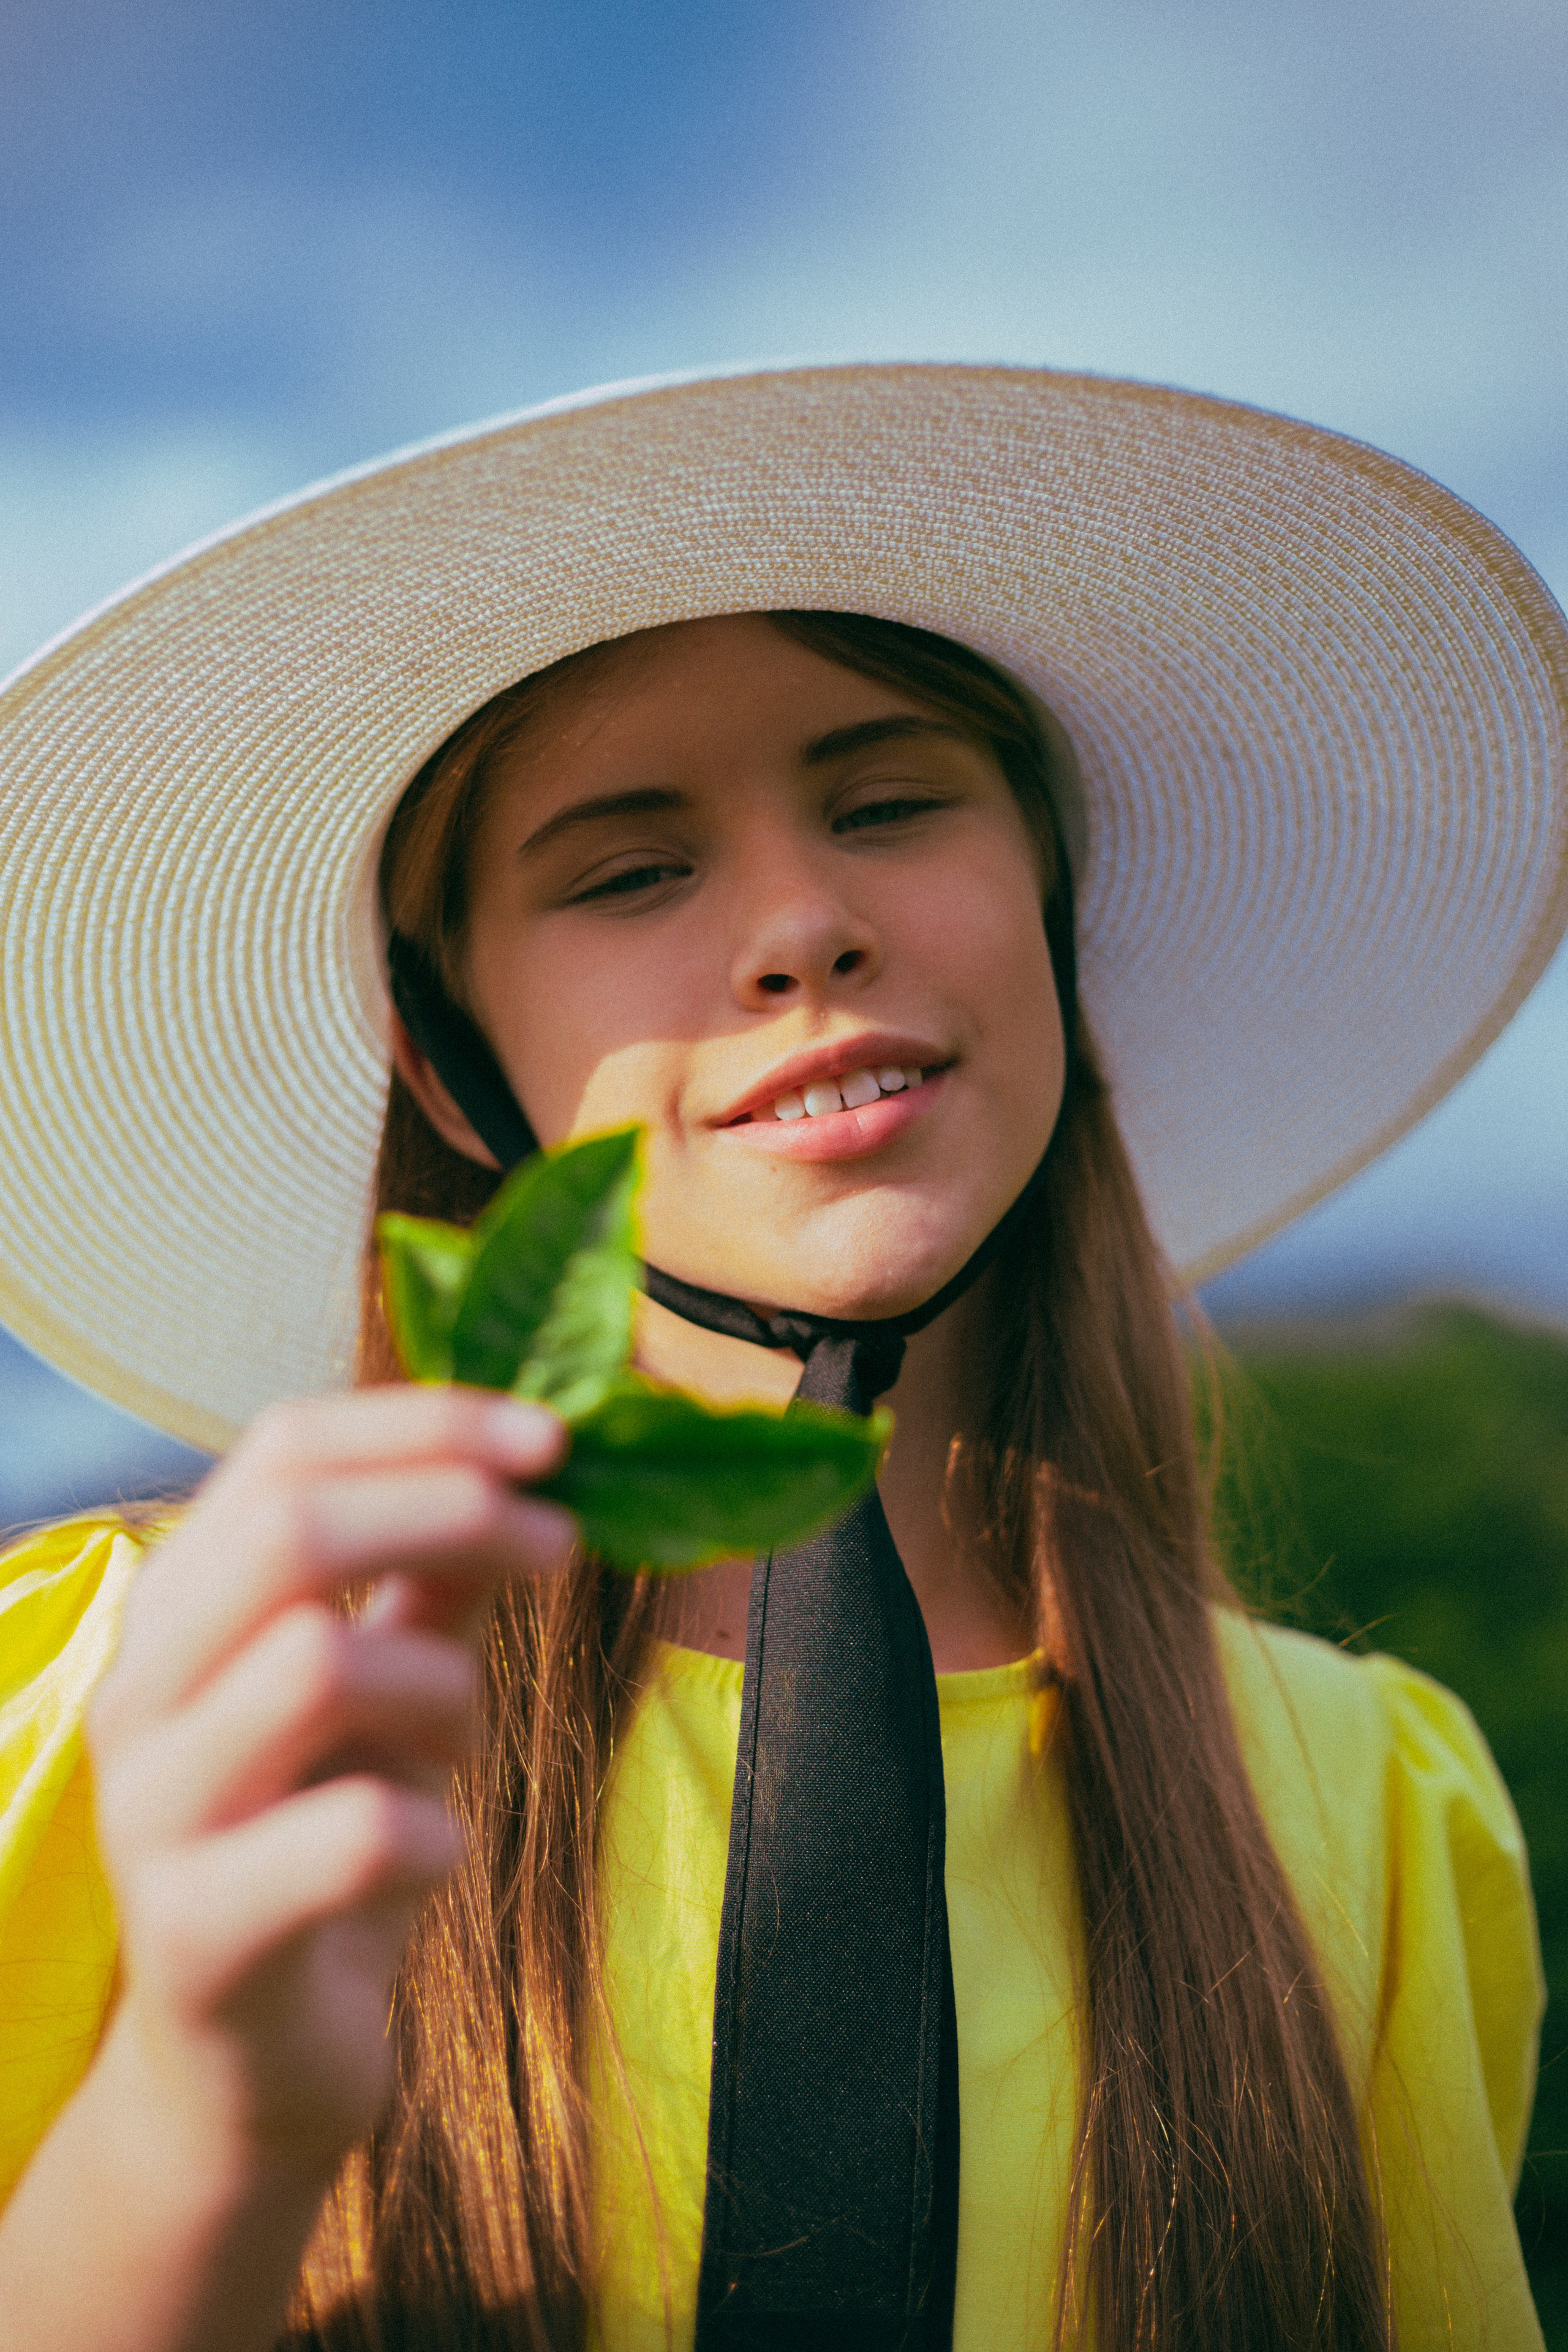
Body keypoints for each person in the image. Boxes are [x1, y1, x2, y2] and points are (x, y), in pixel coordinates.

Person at [0, 366, 1561, 2352]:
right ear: (446, 1062)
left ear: (1057, 910)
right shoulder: (145, 1706)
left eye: (889, 803)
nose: (804, 926)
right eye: (626, 869)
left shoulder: (1369, 1806)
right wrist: (199, 2117)